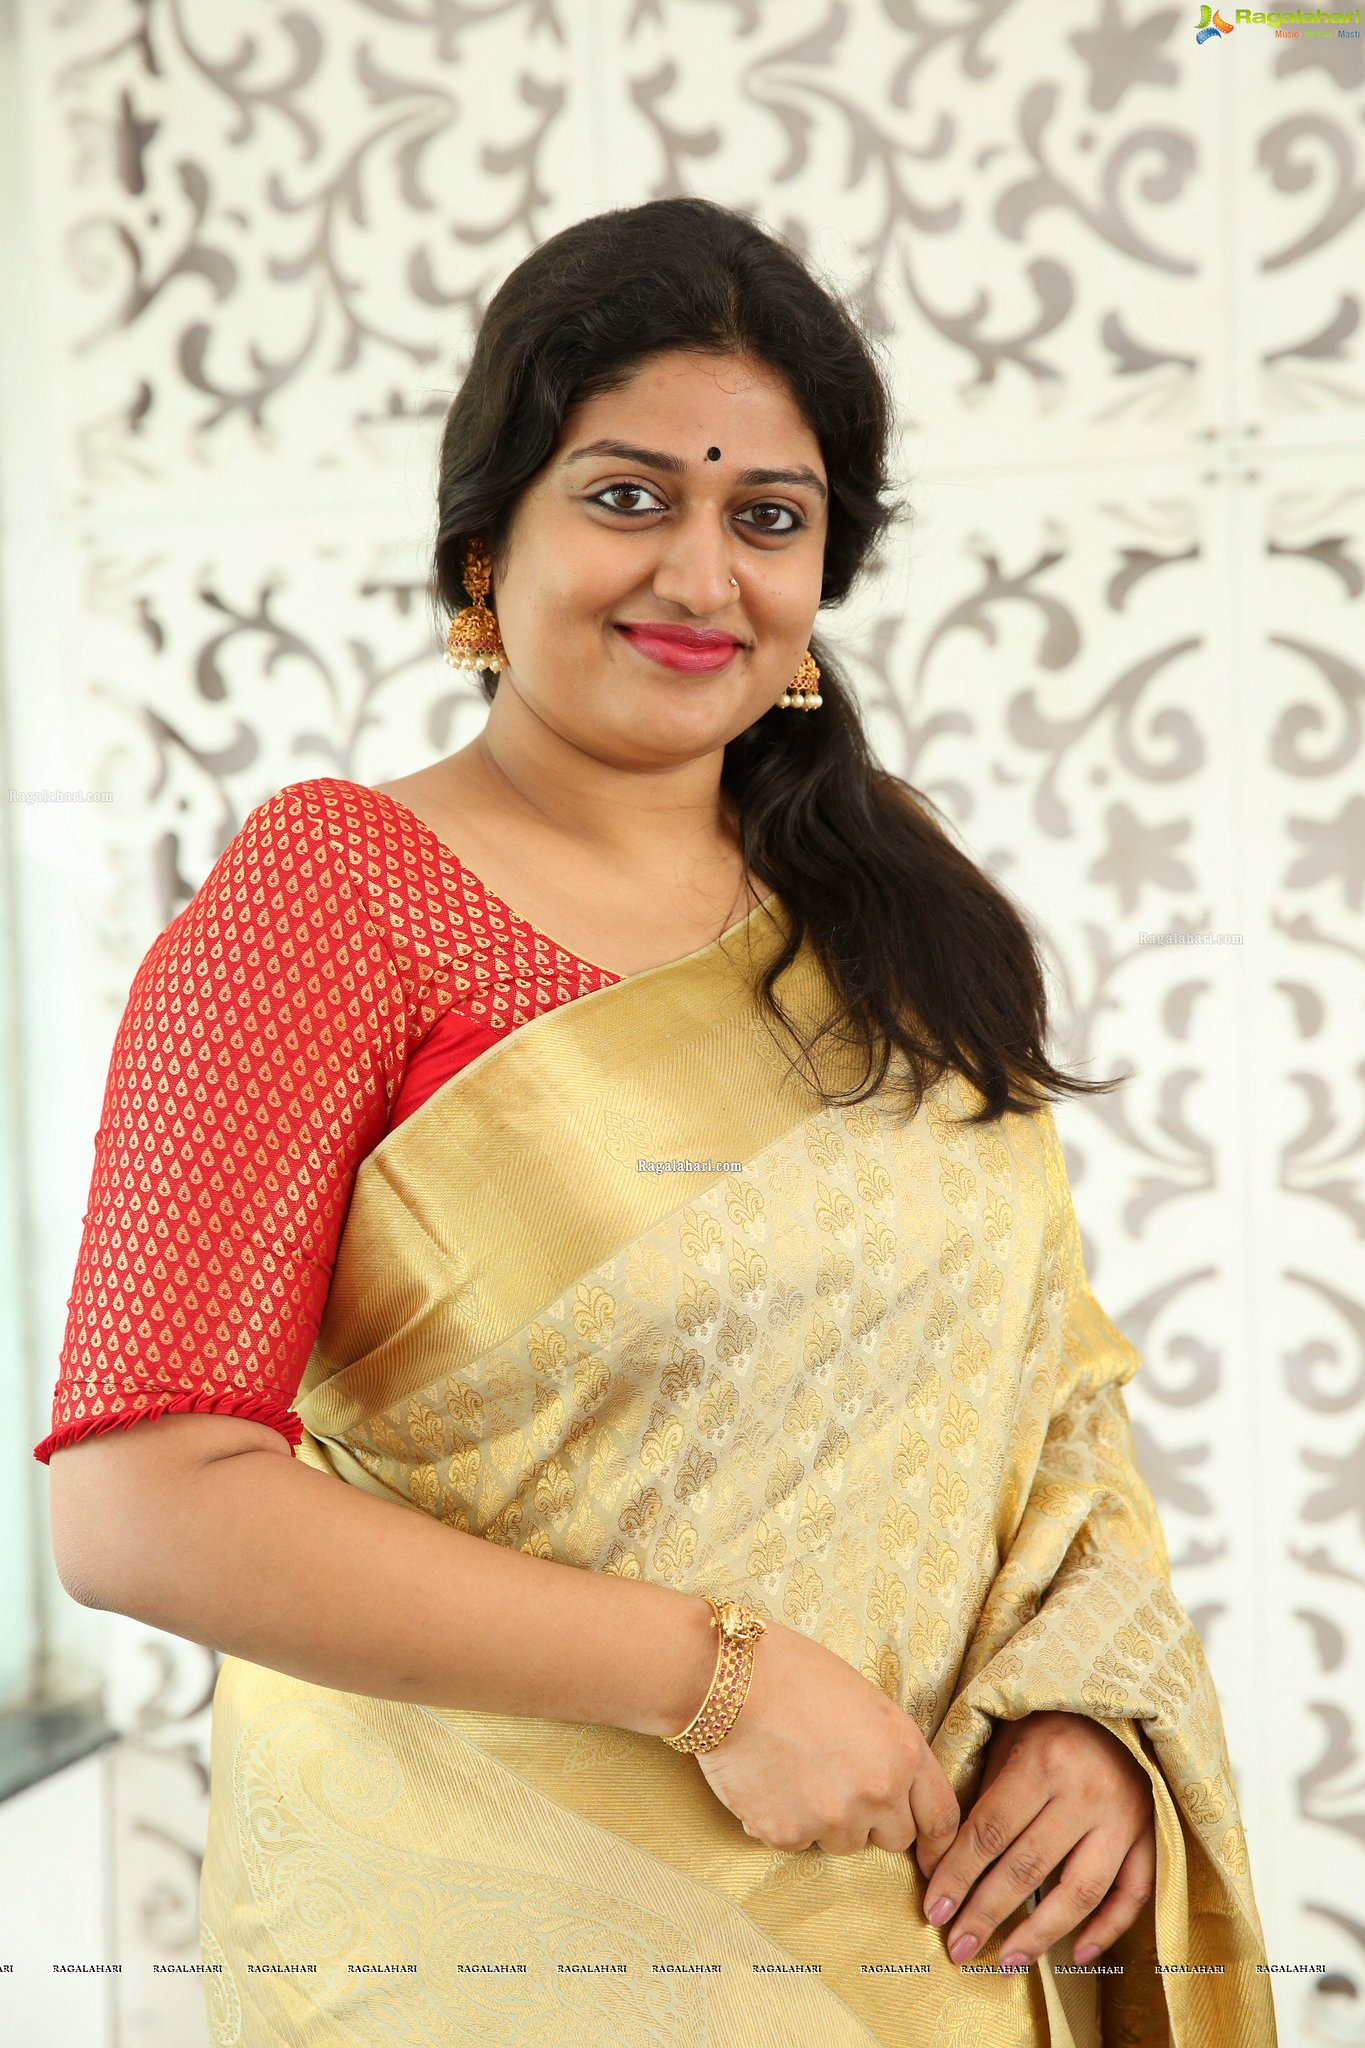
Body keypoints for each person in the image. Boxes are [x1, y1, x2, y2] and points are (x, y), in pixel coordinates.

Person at [39, 197, 1277, 2048]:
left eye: (767, 518)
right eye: (627, 496)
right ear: (487, 541)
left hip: (930, 1942)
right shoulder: (335, 894)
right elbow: (142, 1507)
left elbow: (1052, 1399)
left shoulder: (890, 912)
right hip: (496, 1963)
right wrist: (718, 1681)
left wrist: (1086, 1711)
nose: (701, 575)